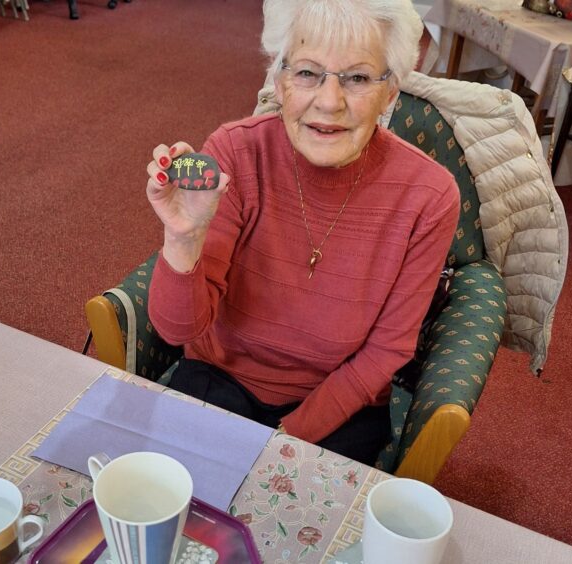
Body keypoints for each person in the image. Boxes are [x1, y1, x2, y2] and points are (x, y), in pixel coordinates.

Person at [145, 0, 459, 465]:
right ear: (279, 81)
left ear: (390, 92)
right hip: (220, 380)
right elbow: (176, 330)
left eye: (357, 78)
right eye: (308, 73)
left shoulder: (431, 196)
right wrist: (183, 238)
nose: (329, 102)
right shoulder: (235, 151)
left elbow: (387, 349)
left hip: (339, 408)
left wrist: (287, 436)